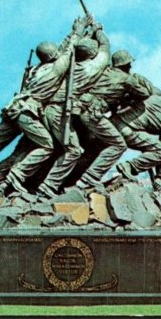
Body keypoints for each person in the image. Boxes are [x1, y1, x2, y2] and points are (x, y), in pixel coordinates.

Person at [0, 17, 87, 194]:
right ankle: (16, 176)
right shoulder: (54, 70)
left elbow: (61, 50)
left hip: (12, 109)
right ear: (53, 56)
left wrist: (73, 32)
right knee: (47, 146)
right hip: (26, 112)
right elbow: (68, 51)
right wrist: (79, 31)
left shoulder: (36, 70)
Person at [8, 21, 111, 197]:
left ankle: (29, 182)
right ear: (91, 54)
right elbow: (105, 49)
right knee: (72, 150)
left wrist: (80, 32)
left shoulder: (62, 65)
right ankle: (47, 186)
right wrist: (99, 30)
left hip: (46, 111)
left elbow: (64, 50)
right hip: (59, 113)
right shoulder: (89, 68)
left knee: (53, 147)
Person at [68, 49, 154, 190]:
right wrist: (136, 79)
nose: (131, 67)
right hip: (92, 114)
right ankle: (90, 178)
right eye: (129, 64)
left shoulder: (104, 71)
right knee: (119, 145)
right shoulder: (127, 79)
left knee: (92, 147)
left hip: (79, 110)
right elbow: (145, 93)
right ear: (125, 65)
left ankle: (72, 180)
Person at [113, 96, 161, 184]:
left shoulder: (156, 98)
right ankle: (129, 166)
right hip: (127, 131)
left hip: (112, 123)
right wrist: (159, 176)